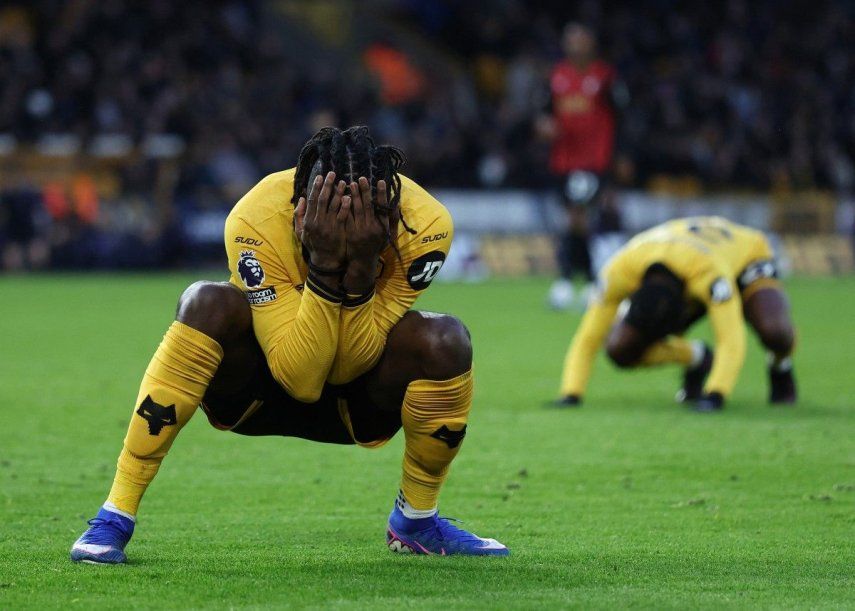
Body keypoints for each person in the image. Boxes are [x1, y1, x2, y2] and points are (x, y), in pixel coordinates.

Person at [71, 126, 508, 563]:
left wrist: (356, 273)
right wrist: (326, 268)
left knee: (444, 339)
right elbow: (300, 380)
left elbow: (345, 367)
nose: (349, 225)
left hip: (359, 402)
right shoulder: (256, 217)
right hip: (256, 392)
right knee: (207, 302)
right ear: (301, 207)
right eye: (332, 213)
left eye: (365, 215)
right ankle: (115, 515)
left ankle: (417, 520)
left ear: (391, 211)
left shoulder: (424, 226)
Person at [555, 216, 797, 412]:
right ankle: (698, 357)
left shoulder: (708, 274)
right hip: (677, 251)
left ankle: (780, 365)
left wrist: (715, 394)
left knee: (772, 330)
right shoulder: (618, 272)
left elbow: (730, 336)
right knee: (620, 347)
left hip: (743, 252)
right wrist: (571, 393)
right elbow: (588, 338)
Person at [537, 23, 627, 310]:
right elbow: (544, 113)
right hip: (562, 159)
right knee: (575, 221)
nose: (574, 44)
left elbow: (622, 117)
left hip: (593, 159)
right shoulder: (557, 76)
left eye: (580, 39)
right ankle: (587, 282)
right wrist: (543, 126)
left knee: (578, 218)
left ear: (591, 43)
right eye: (570, 39)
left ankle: (570, 281)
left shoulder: (605, 77)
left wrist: (622, 156)